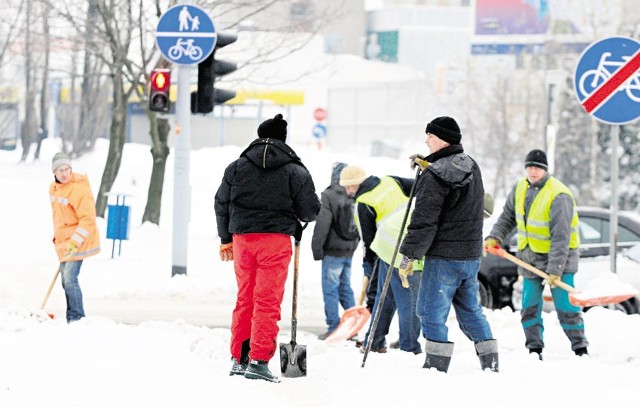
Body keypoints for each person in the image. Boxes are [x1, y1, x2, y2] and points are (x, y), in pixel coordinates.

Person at [215, 113, 321, 383]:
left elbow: (221, 203)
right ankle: (259, 361)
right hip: (275, 241)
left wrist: (225, 237)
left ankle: (239, 359)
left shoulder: (237, 166)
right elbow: (310, 210)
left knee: (245, 298)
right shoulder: (295, 170)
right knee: (267, 301)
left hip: (242, 240)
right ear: (282, 139)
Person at [399, 116, 498, 373]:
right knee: (471, 311)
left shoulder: (435, 175)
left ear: (441, 139)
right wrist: (427, 167)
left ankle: (435, 369)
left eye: (429, 136)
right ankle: (491, 363)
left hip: (444, 257)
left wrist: (408, 255)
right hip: (470, 255)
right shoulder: (472, 166)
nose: (426, 140)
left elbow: (424, 221)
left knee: (430, 313)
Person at [484, 149, 588, 361]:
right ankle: (534, 349)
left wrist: (555, 270)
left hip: (561, 260)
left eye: (537, 167)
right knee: (529, 306)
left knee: (565, 308)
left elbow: (562, 238)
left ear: (545, 170)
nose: (533, 171)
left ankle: (580, 349)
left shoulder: (559, 195)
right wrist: (495, 237)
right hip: (530, 258)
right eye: (529, 167)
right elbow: (507, 218)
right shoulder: (520, 188)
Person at [339, 165, 414, 353]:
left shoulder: (363, 202)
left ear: (358, 183)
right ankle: (377, 341)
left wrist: (368, 266)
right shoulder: (390, 181)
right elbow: (420, 186)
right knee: (398, 297)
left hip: (388, 250)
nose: (348, 192)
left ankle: (386, 342)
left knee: (383, 297)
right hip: (414, 243)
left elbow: (369, 240)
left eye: (350, 187)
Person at [49, 152, 100, 323]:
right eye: (60, 170)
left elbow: (88, 220)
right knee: (65, 281)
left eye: (67, 169)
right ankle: (71, 315)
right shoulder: (54, 188)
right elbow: (60, 217)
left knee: (70, 279)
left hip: (79, 241)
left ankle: (77, 317)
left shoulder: (78, 189)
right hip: (64, 242)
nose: (64, 174)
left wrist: (74, 242)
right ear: (54, 173)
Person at [311, 162, 360, 340]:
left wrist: (316, 248)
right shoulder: (355, 193)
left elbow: (323, 224)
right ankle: (352, 328)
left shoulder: (329, 195)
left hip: (332, 251)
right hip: (349, 250)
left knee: (330, 289)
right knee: (345, 288)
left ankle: (333, 326)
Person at [369, 207, 423, 354]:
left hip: (387, 243)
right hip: (403, 251)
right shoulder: (446, 212)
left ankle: (374, 342)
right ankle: (410, 347)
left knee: (385, 298)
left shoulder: (431, 198)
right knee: (411, 304)